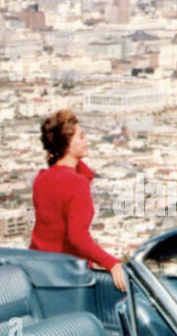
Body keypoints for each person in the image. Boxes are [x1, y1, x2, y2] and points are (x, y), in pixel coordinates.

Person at [30, 109, 126, 292]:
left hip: (38, 270)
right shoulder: (76, 184)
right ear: (67, 142)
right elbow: (77, 237)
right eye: (81, 136)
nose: (86, 140)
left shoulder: (41, 179)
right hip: (67, 275)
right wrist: (112, 263)